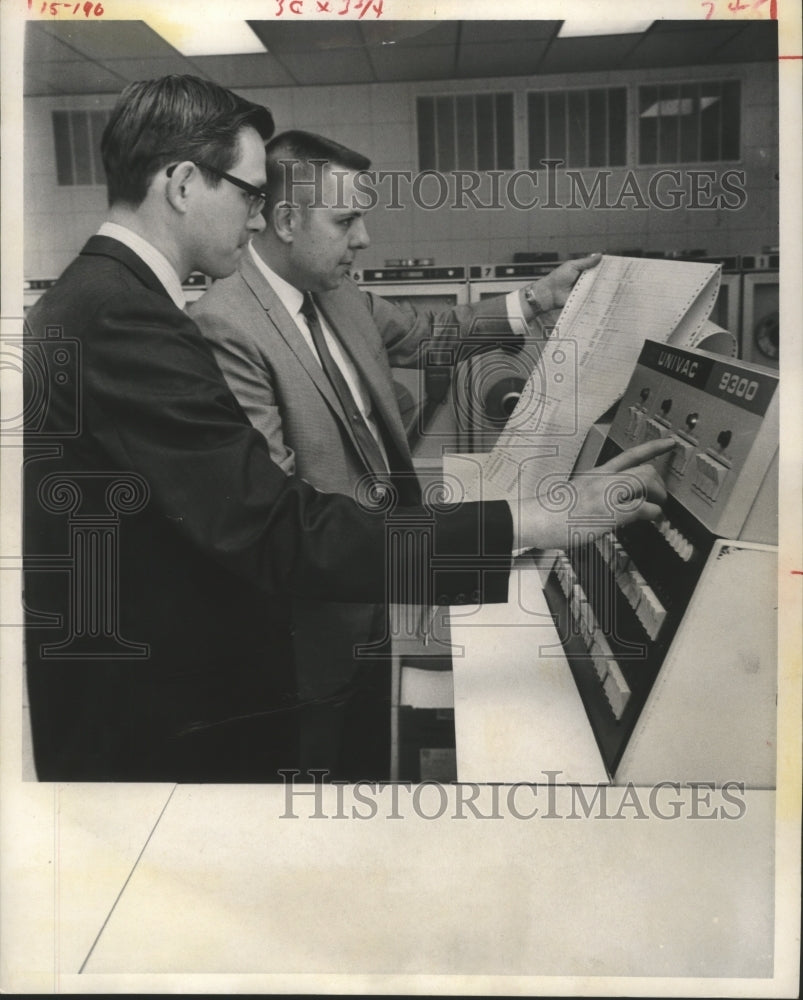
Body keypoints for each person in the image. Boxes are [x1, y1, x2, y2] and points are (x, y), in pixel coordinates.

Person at [23, 75, 672, 783]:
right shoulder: (137, 318)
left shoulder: (113, 300)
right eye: (246, 193)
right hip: (187, 694)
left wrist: (533, 300)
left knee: (350, 782)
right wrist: (531, 520)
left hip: (288, 628)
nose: (252, 213)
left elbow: (432, 337)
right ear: (182, 183)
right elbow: (274, 528)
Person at [190, 129, 607, 780]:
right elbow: (276, 513)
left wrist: (538, 299)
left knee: (369, 760)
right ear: (285, 220)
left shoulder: (337, 293)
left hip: (380, 590)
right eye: (346, 220)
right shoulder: (225, 325)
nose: (363, 239)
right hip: (313, 626)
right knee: (318, 781)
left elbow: (434, 335)